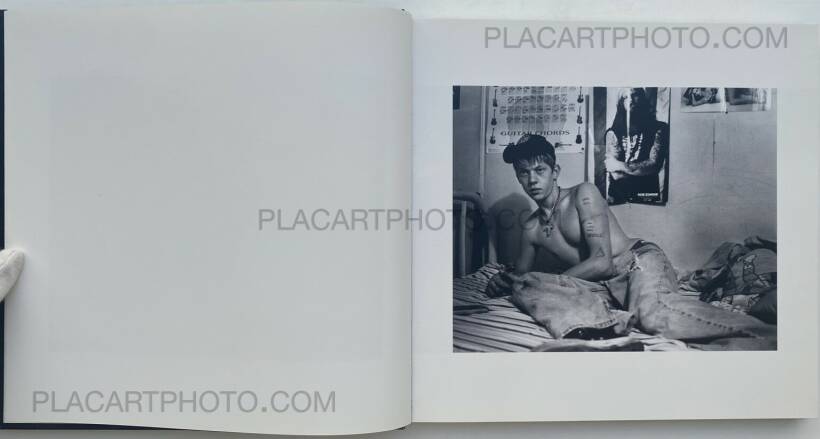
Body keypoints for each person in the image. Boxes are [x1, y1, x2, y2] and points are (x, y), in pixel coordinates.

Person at [486, 133, 775, 349]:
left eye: (539, 170)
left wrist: (553, 281)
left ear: (555, 172)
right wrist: (504, 281)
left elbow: (602, 262)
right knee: (528, 287)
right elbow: (523, 280)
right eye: (524, 172)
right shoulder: (531, 227)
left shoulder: (582, 194)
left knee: (652, 315)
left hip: (635, 262)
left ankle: (764, 334)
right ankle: (606, 329)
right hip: (600, 286)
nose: (532, 179)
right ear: (518, 177)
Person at [605, 87, 668, 205]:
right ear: (621, 103)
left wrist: (619, 165)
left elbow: (654, 165)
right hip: (618, 196)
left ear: (642, 98)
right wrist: (639, 170)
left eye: (634, 95)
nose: (630, 100)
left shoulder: (659, 129)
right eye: (626, 97)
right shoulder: (612, 132)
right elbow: (615, 174)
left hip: (646, 194)